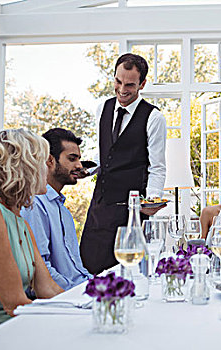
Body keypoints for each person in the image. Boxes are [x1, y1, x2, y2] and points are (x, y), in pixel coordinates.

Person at [0, 129, 63, 342]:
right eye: (44, 161)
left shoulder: (20, 222)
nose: (49, 167)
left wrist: (90, 308)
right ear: (25, 166)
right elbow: (14, 303)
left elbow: (49, 289)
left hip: (11, 331)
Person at [80, 53, 167, 274]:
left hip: (130, 212)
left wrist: (152, 200)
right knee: (89, 270)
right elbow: (105, 157)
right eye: (118, 82)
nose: (122, 89)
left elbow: (156, 167)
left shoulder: (153, 118)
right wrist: (83, 170)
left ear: (142, 84)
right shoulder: (103, 109)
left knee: (125, 273)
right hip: (99, 207)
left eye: (129, 84)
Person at [21, 128, 92, 290]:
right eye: (72, 159)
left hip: (80, 289)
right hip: (64, 298)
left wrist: (95, 285)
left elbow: (76, 270)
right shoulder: (34, 204)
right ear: (49, 160)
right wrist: (75, 293)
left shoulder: (64, 212)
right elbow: (41, 269)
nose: (79, 165)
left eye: (79, 159)